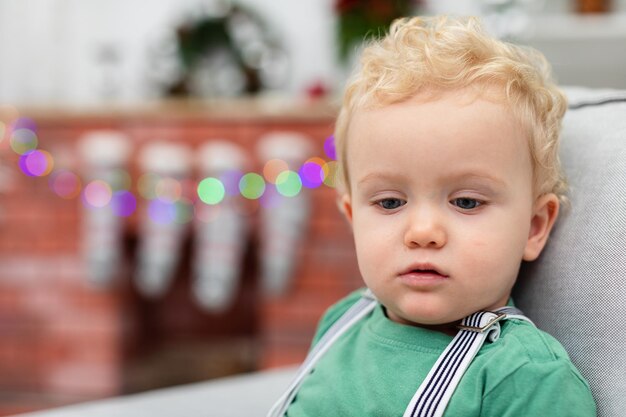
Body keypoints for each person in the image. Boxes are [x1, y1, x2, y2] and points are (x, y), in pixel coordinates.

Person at [269, 15, 596, 416]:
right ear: (353, 218)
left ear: (534, 227)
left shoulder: (524, 377)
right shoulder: (342, 322)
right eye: (390, 202)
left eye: (466, 202)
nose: (423, 232)